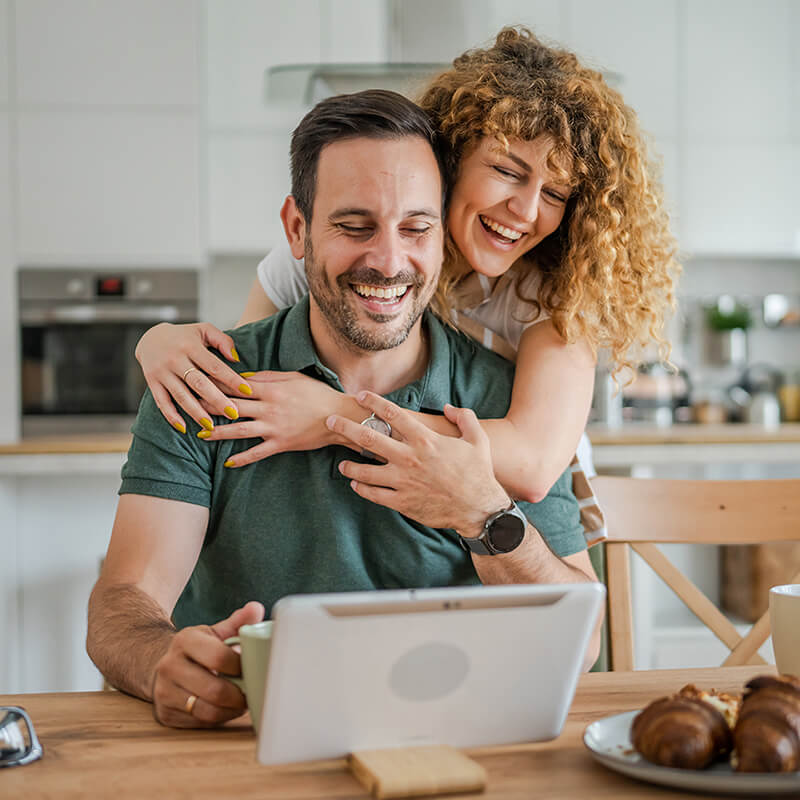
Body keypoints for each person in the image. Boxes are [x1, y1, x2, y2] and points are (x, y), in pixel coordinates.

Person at [87, 89, 602, 729]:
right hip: (246, 743)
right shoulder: (207, 382)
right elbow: (122, 605)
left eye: (415, 227)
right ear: (298, 228)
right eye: (354, 226)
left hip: (455, 740)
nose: (388, 261)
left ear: (443, 232)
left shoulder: (502, 398)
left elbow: (581, 644)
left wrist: (482, 511)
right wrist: (161, 657)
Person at [133, 27, 679, 539]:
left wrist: (337, 416)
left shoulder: (554, 296)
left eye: (557, 194)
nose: (527, 209)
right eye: (508, 172)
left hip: (524, 522)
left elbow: (534, 465)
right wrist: (159, 339)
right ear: (450, 158)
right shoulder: (342, 252)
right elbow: (255, 380)